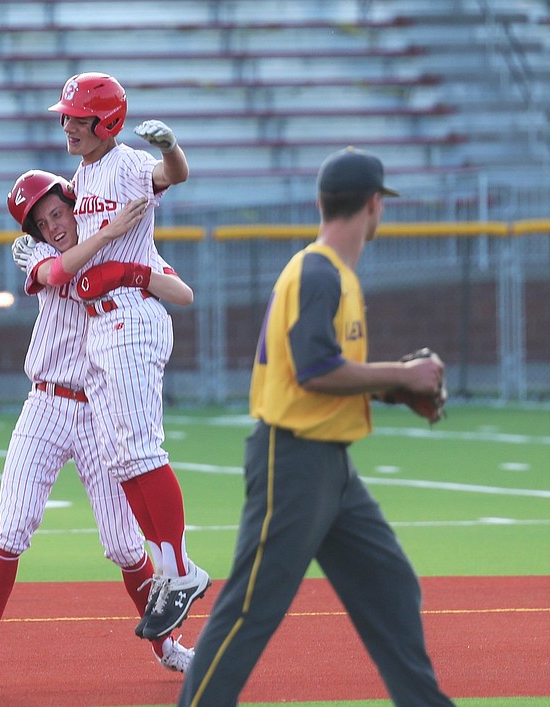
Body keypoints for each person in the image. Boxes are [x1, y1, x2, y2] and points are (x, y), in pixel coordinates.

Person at [178, 147, 454, 707]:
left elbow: (329, 368)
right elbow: (315, 369)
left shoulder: (335, 275)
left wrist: (399, 391)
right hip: (293, 459)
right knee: (253, 607)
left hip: (331, 467)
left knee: (390, 584)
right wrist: (404, 372)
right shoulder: (318, 271)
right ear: (374, 205)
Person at [0, 169, 196, 691]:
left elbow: (180, 291)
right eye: (42, 223)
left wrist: (133, 272)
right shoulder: (40, 254)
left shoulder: (114, 236)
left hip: (99, 408)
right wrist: (111, 238)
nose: (54, 225)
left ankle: (167, 645)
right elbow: (57, 274)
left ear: (73, 204)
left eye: (57, 212)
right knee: (12, 527)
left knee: (123, 544)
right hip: (46, 402)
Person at [48, 72, 209, 640]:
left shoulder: (126, 162)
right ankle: (171, 569)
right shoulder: (83, 172)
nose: (67, 124)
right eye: (66, 116)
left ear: (106, 121)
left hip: (131, 318)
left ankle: (179, 571)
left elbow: (173, 175)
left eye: (77, 117)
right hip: (102, 325)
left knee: (141, 449)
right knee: (122, 462)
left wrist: (168, 145)